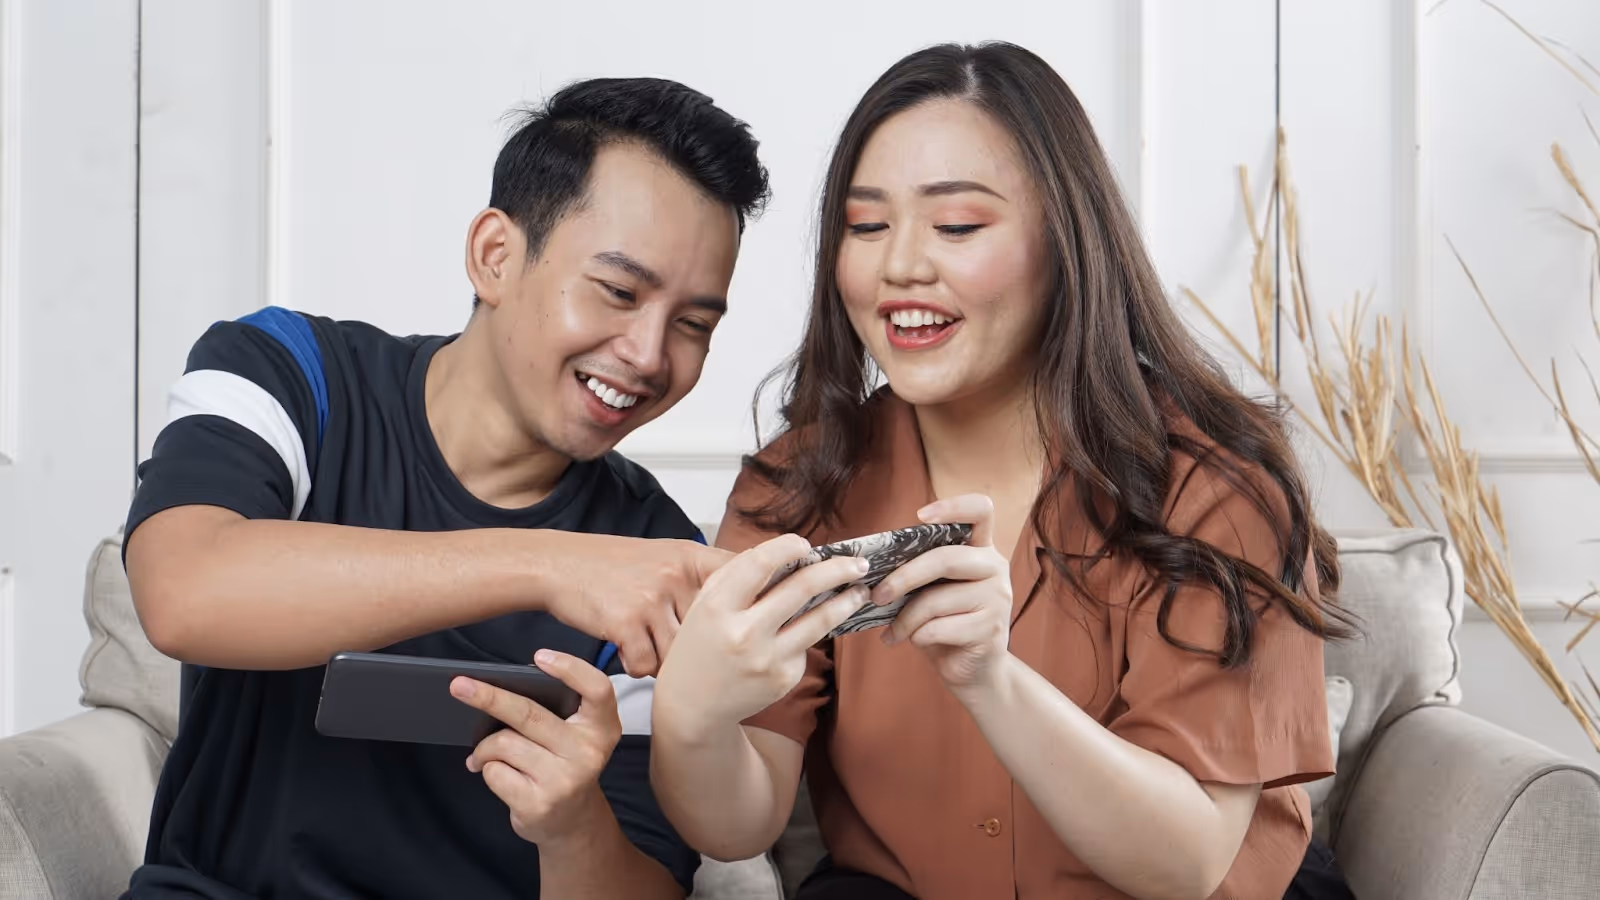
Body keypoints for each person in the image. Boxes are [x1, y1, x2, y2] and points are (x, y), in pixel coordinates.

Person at [650, 43, 1357, 900]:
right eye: (866, 226)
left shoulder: (1216, 488)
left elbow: (1190, 863)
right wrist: (691, 715)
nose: (899, 265)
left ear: (1066, 241)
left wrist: (991, 679)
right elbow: (739, 820)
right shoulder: (800, 483)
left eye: (957, 227)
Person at [120, 76, 768, 899]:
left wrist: (573, 829)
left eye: (693, 325)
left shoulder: (651, 557)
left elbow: (648, 886)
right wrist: (550, 566)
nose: (648, 354)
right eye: (618, 291)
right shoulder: (291, 374)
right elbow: (184, 592)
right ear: (495, 256)